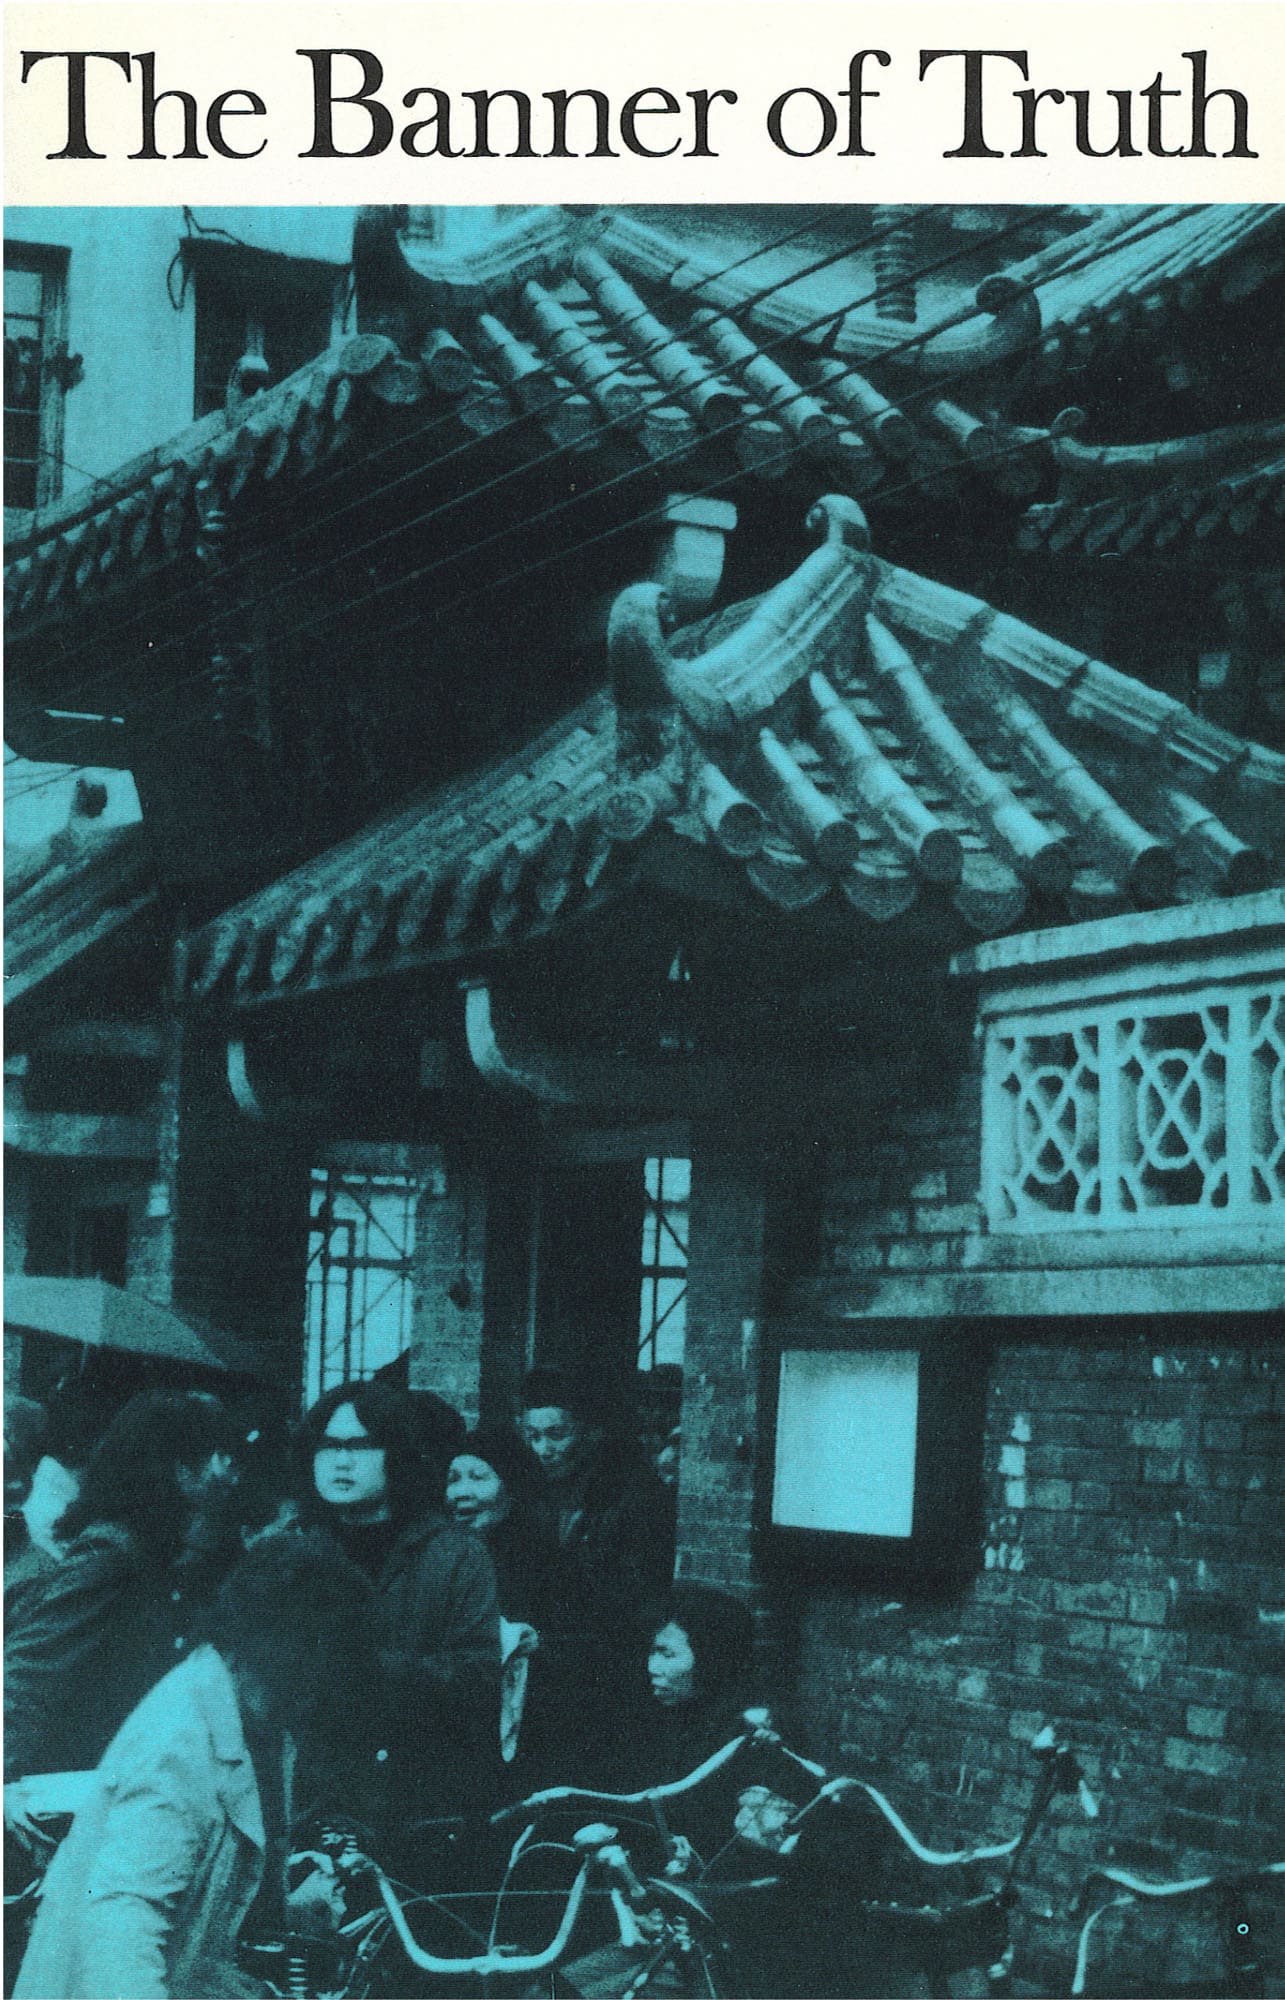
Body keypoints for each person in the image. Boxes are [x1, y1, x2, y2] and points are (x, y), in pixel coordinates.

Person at [13, 1531, 374, 2000]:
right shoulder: (179, 1739)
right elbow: (122, 1917)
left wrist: (288, 1903)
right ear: (292, 1649)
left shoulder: (263, 1725)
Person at [4, 1390, 234, 1803]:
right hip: (65, 1792)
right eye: (215, 1456)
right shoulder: (111, 1556)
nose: (226, 1472)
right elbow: (28, 1675)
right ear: (179, 1469)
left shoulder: (155, 1555)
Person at [298, 1380, 502, 1831]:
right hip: (317, 1792)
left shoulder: (456, 1554)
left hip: (422, 1797)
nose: (341, 1461)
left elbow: (479, 1675)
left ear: (397, 1452)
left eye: (361, 1446)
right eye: (329, 1446)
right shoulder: (297, 1553)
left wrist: (372, 1669)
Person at [517, 1366, 674, 1785]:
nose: (544, 1449)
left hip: (602, 1674)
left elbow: (632, 1603)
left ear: (588, 1433)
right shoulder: (534, 1491)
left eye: (556, 1434)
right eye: (533, 1436)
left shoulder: (630, 1496)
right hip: (547, 1669)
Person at [445, 1426, 550, 1763]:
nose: (462, 1492)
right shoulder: (443, 1561)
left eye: (478, 1477)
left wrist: (536, 1642)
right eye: (453, 1478)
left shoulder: (546, 1560)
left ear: (511, 1487)